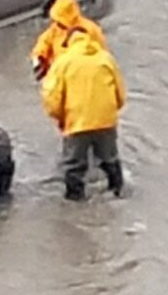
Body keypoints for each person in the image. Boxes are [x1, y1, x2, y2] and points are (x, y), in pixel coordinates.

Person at [43, 31, 127, 200]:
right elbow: (120, 92)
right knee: (110, 158)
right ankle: (118, 191)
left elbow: (52, 97)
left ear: (69, 43)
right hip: (105, 121)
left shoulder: (63, 62)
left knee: (73, 165)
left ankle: (75, 202)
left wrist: (60, 118)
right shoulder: (105, 58)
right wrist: (111, 112)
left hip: (76, 122)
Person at [30, 0, 106, 81]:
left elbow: (100, 54)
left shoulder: (90, 30)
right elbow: (44, 41)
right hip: (60, 74)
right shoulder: (56, 28)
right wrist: (39, 57)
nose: (56, 23)